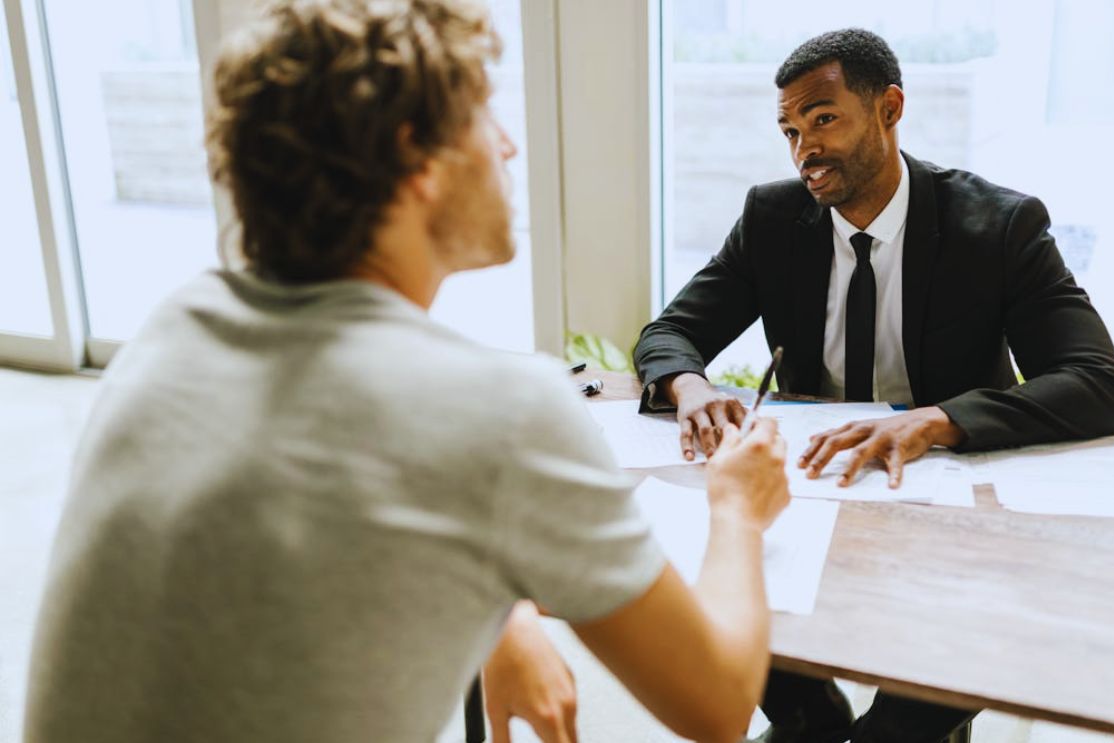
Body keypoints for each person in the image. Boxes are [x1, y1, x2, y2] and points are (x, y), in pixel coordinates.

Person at [22, 2, 792, 743]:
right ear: (415, 159)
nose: (509, 147)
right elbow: (719, 704)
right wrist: (735, 508)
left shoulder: (174, 328)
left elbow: (323, 500)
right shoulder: (502, 410)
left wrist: (505, 612)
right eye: (486, 116)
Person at [633, 28, 1114, 743]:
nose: (804, 147)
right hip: (815, 488)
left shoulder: (997, 225)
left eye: (823, 118)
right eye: (789, 129)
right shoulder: (772, 219)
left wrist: (936, 419)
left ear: (889, 109)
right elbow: (668, 333)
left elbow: (1094, 382)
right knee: (724, 586)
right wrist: (689, 386)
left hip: (945, 507)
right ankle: (809, 713)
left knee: (900, 725)